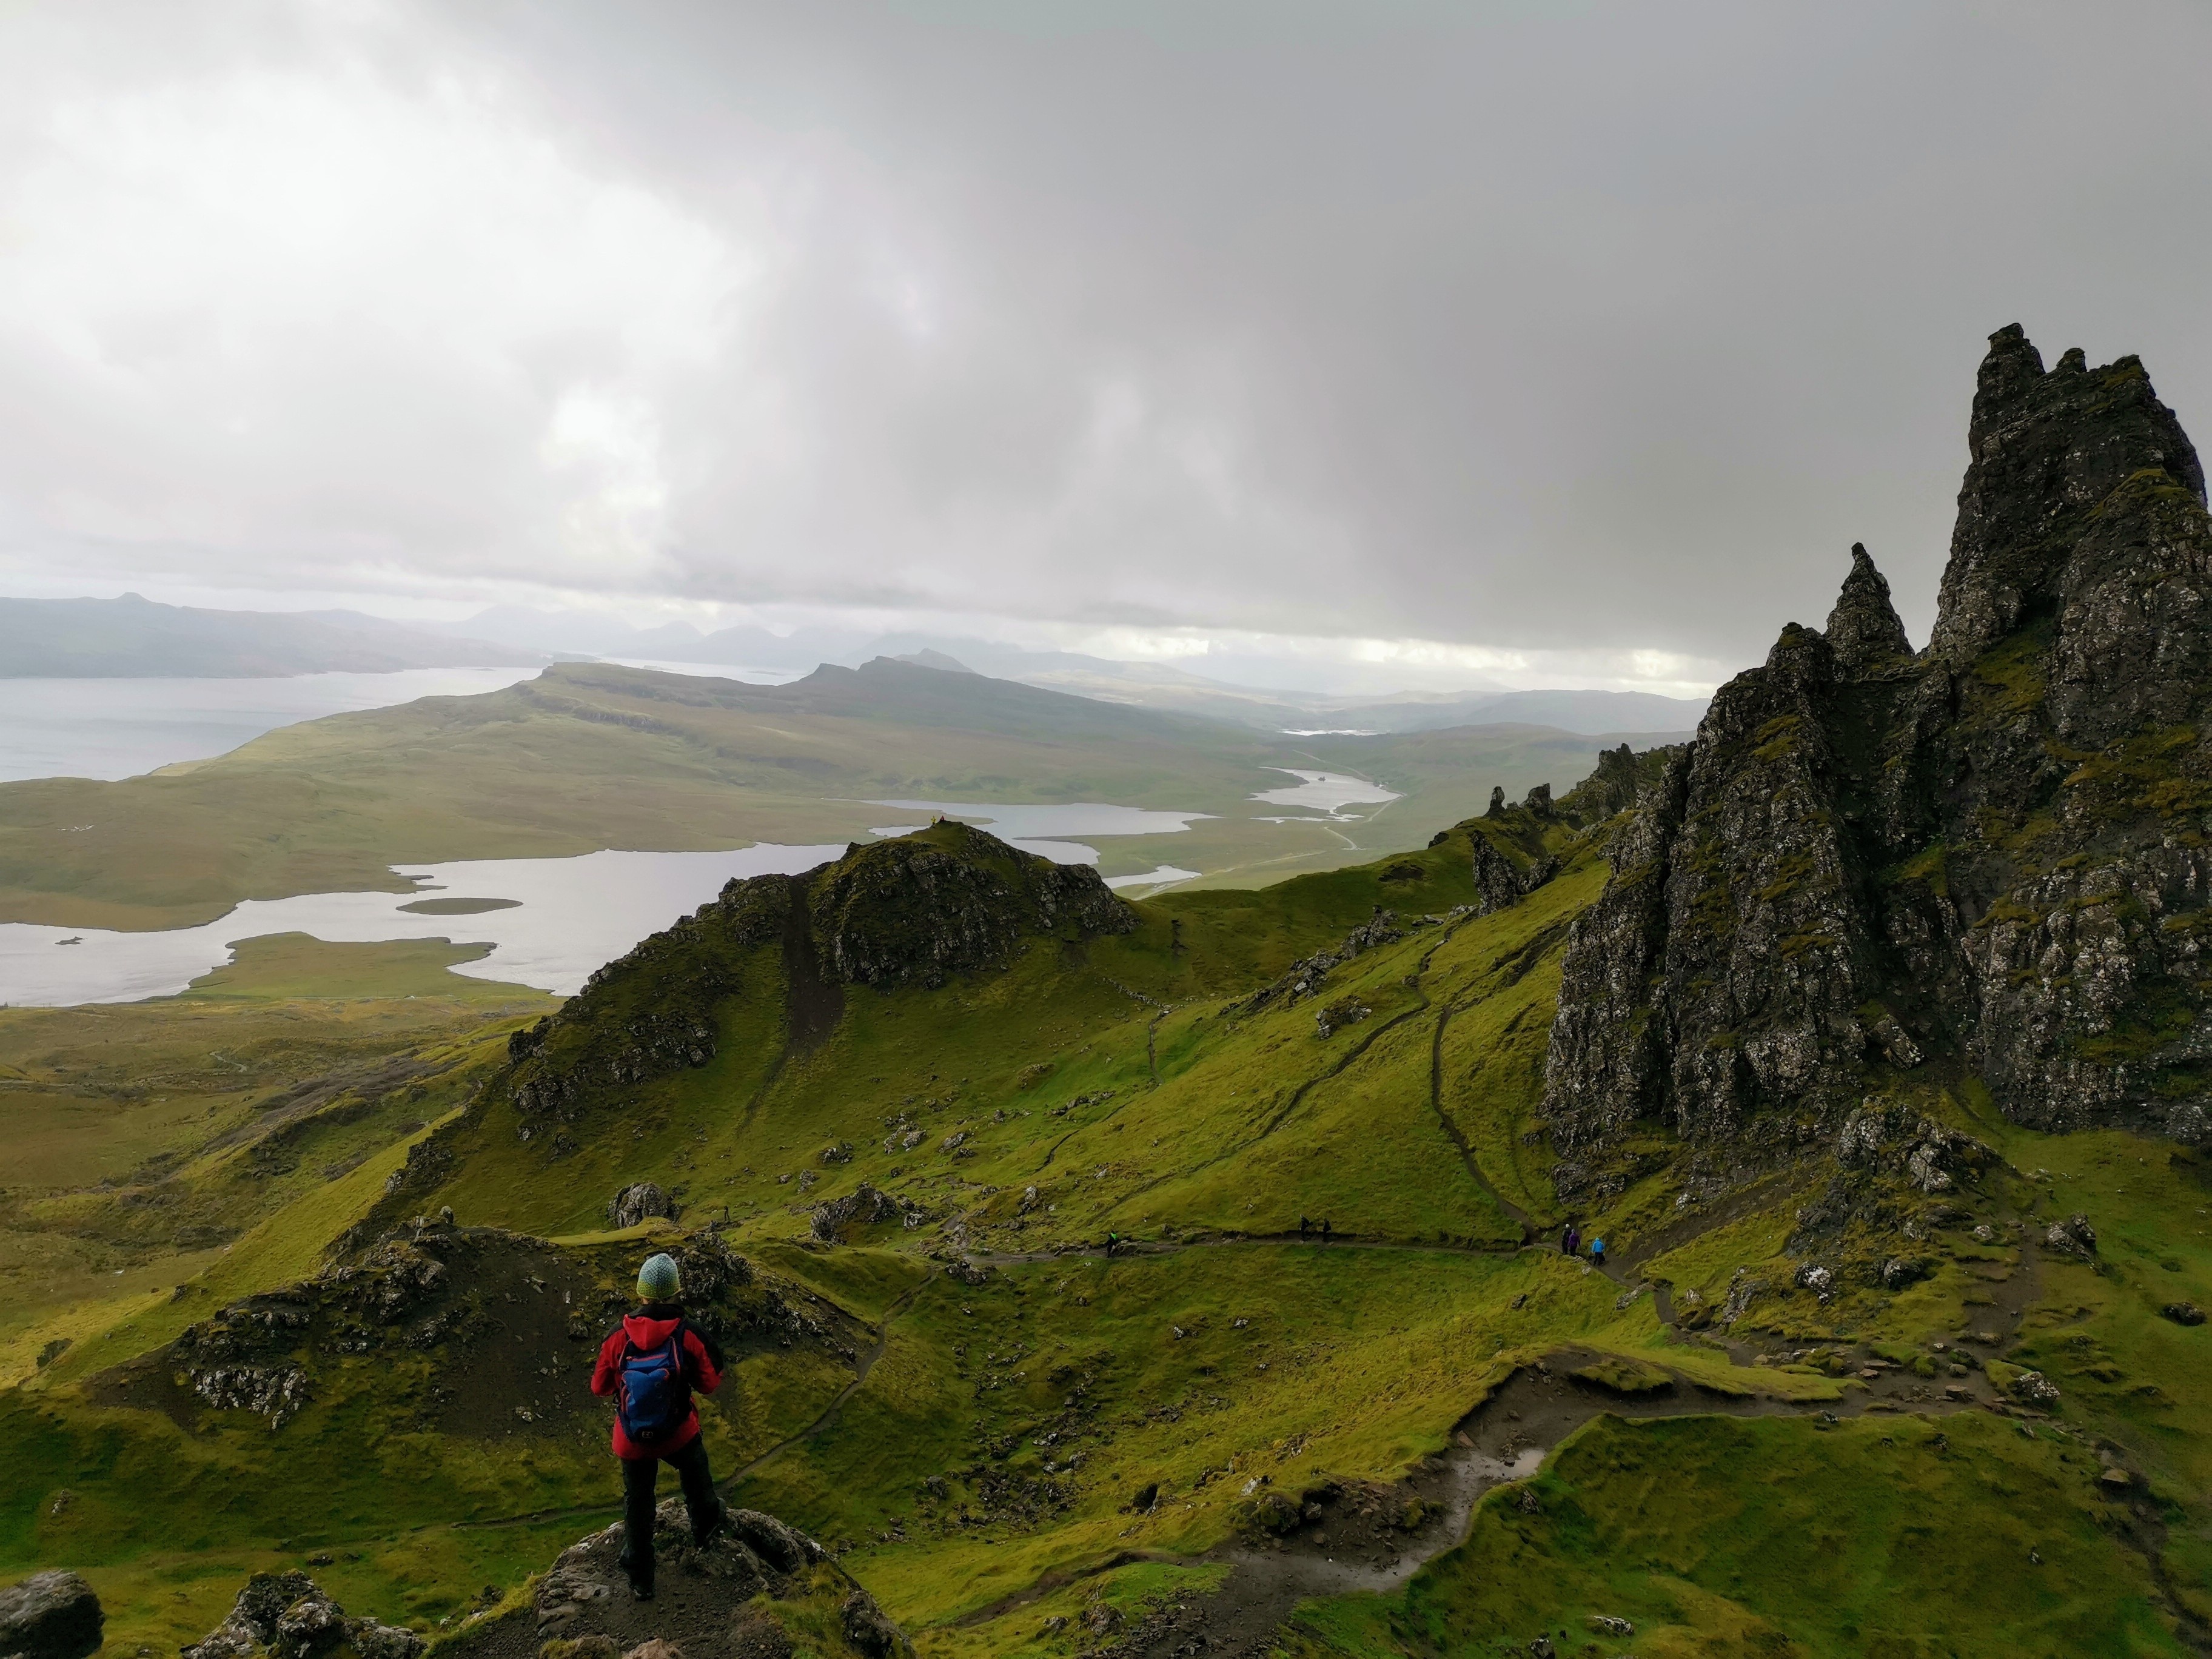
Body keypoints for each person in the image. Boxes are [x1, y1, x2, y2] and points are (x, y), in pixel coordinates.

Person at [591, 1252, 729, 1600]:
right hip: (677, 1434)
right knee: (697, 1479)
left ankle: (641, 1579)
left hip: (631, 1440)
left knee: (637, 1502)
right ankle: (707, 1533)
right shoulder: (688, 1334)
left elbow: (599, 1388)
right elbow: (710, 1383)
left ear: (642, 1294)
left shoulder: (617, 1337)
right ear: (675, 1293)